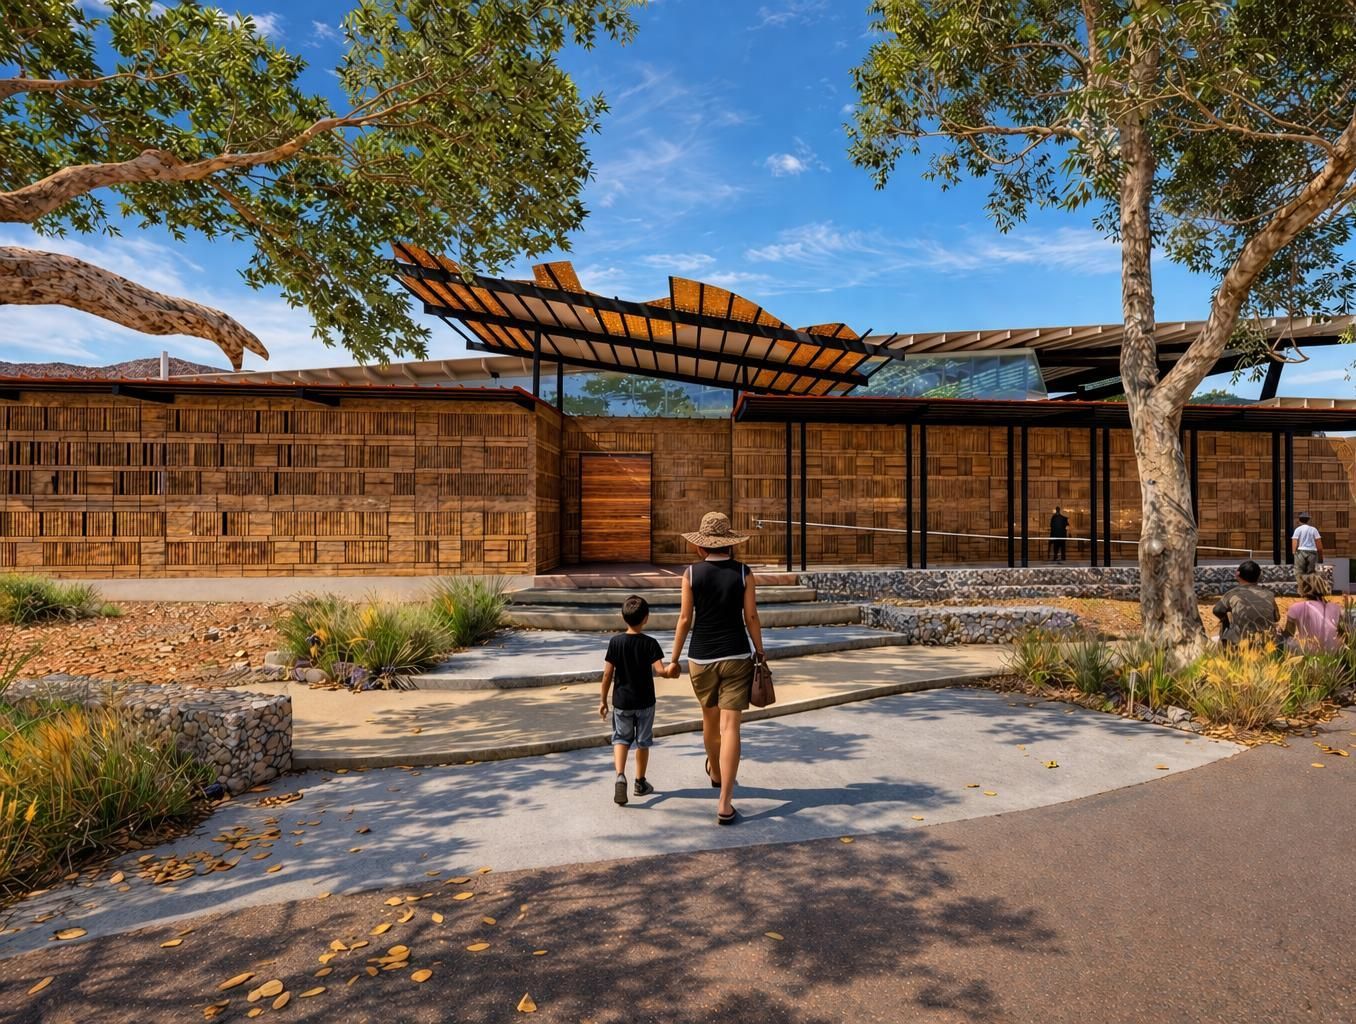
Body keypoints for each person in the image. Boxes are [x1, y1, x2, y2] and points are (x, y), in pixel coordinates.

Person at [668, 511, 765, 827]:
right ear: (731, 545)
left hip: (701, 658)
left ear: (700, 547)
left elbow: (684, 620)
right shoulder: (743, 573)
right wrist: (760, 651)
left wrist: (673, 659)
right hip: (737, 655)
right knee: (731, 727)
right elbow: (751, 617)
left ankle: (714, 768)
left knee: (709, 721)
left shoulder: (691, 574)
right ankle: (725, 803)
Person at [599, 595, 678, 807]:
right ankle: (640, 782)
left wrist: (603, 701)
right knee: (643, 743)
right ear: (646, 618)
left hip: (622, 702)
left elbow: (607, 675)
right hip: (645, 702)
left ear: (623, 617)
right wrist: (672, 671)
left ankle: (620, 776)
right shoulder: (650, 643)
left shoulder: (615, 643)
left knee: (621, 739)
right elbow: (661, 671)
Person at [1212, 559, 1279, 646]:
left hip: (1240, 644)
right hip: (1267, 643)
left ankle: (1226, 649)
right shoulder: (1269, 594)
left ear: (1238, 574)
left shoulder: (1233, 594)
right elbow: (1276, 617)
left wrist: (1226, 621)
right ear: (1258, 576)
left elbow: (1217, 610)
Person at [1282, 573, 1347, 653]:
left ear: (1304, 588)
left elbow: (1289, 634)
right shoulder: (1336, 608)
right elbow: (1342, 633)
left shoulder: (1296, 607)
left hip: (1309, 652)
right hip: (1334, 651)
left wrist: (1279, 632)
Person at [1291, 512, 1323, 579]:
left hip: (1301, 551)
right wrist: (1320, 556)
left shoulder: (1298, 529)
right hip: (1312, 552)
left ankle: (1301, 586)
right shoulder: (1313, 529)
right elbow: (1318, 543)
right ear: (1308, 520)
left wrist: (1294, 552)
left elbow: (1294, 540)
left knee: (1299, 571)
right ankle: (1310, 587)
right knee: (1311, 572)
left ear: (1299, 520)